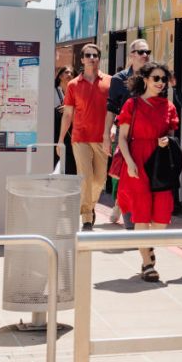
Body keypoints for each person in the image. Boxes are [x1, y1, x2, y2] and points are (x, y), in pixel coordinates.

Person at [115, 62, 180, 282]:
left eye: (163, 79)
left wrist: (166, 141)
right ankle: (147, 262)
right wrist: (129, 161)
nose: (161, 83)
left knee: (161, 215)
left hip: (159, 162)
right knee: (141, 212)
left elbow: (172, 136)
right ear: (145, 80)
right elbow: (122, 137)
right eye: (156, 78)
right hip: (137, 160)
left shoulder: (169, 107)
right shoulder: (131, 105)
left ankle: (148, 247)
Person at [57, 44, 111, 231]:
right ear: (82, 60)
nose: (91, 58)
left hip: (102, 139)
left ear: (99, 58)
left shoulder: (109, 82)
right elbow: (67, 115)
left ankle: (90, 206)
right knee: (86, 177)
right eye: (87, 55)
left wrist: (112, 130)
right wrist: (60, 139)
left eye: (95, 55)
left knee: (99, 180)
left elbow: (115, 111)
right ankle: (87, 217)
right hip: (79, 138)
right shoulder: (73, 85)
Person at [106, 40, 153, 226]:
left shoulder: (154, 77)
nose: (145, 55)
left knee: (141, 175)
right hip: (124, 133)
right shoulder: (119, 79)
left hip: (147, 135)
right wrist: (106, 131)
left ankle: (124, 206)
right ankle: (126, 214)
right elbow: (111, 107)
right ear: (131, 55)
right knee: (124, 173)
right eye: (141, 51)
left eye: (147, 51)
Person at [53, 66, 77, 175]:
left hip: (71, 127)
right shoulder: (53, 90)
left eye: (71, 73)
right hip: (55, 127)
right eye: (66, 72)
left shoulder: (76, 90)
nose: (69, 75)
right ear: (60, 76)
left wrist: (70, 108)